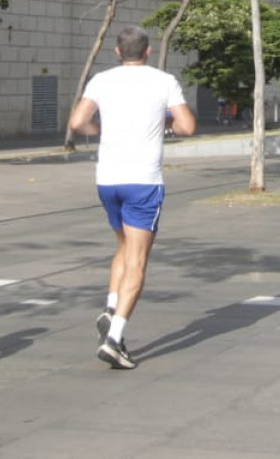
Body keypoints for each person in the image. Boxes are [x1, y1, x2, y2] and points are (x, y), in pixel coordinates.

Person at [68, 26, 197, 370]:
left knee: (124, 246)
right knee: (138, 260)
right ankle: (114, 339)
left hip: (108, 179)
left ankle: (111, 307)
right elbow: (187, 126)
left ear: (117, 51)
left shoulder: (102, 80)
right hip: (143, 181)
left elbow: (78, 122)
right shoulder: (164, 81)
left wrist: (99, 130)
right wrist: (166, 126)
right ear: (148, 51)